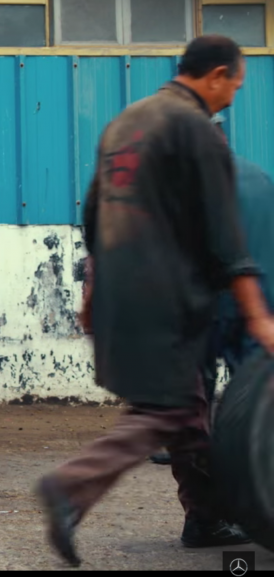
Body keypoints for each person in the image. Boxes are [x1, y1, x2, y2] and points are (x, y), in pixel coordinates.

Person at [36, 35, 274, 568]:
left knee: (186, 416)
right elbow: (227, 240)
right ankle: (69, 486)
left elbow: (95, 214)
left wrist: (94, 291)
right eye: (235, 85)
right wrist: (260, 317)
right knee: (168, 411)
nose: (233, 96)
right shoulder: (198, 132)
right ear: (216, 76)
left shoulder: (125, 123)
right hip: (168, 296)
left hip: (124, 290)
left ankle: (210, 514)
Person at [150, 116, 274, 465]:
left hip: (211, 298)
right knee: (248, 382)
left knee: (196, 380)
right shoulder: (261, 177)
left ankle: (195, 451)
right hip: (259, 297)